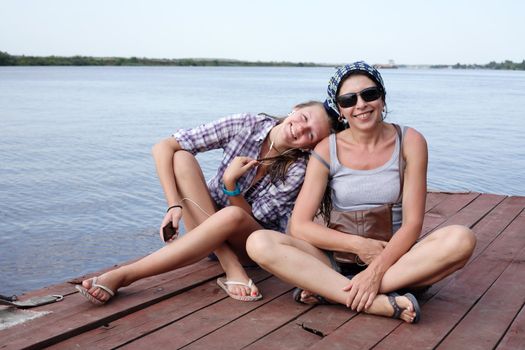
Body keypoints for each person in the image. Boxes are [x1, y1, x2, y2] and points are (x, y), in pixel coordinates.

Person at [246, 62, 476, 323]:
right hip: (336, 260)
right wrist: (359, 246)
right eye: (348, 99)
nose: (361, 104)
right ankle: (377, 302)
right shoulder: (325, 149)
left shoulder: (411, 141)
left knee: (461, 239)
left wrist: (376, 271)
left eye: (369, 94)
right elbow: (299, 226)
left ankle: (333, 291)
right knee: (259, 243)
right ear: (340, 110)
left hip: (395, 261)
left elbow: (413, 224)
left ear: (382, 97)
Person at [76, 101, 337, 304]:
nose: (301, 129)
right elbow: (163, 146)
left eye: (310, 134)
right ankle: (228, 265)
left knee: (232, 217)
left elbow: (252, 221)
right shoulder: (247, 124)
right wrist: (173, 205)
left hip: (249, 246)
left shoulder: (298, 169)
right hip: (204, 225)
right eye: (303, 118)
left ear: (308, 147)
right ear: (295, 109)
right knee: (180, 157)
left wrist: (231, 185)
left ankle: (125, 275)